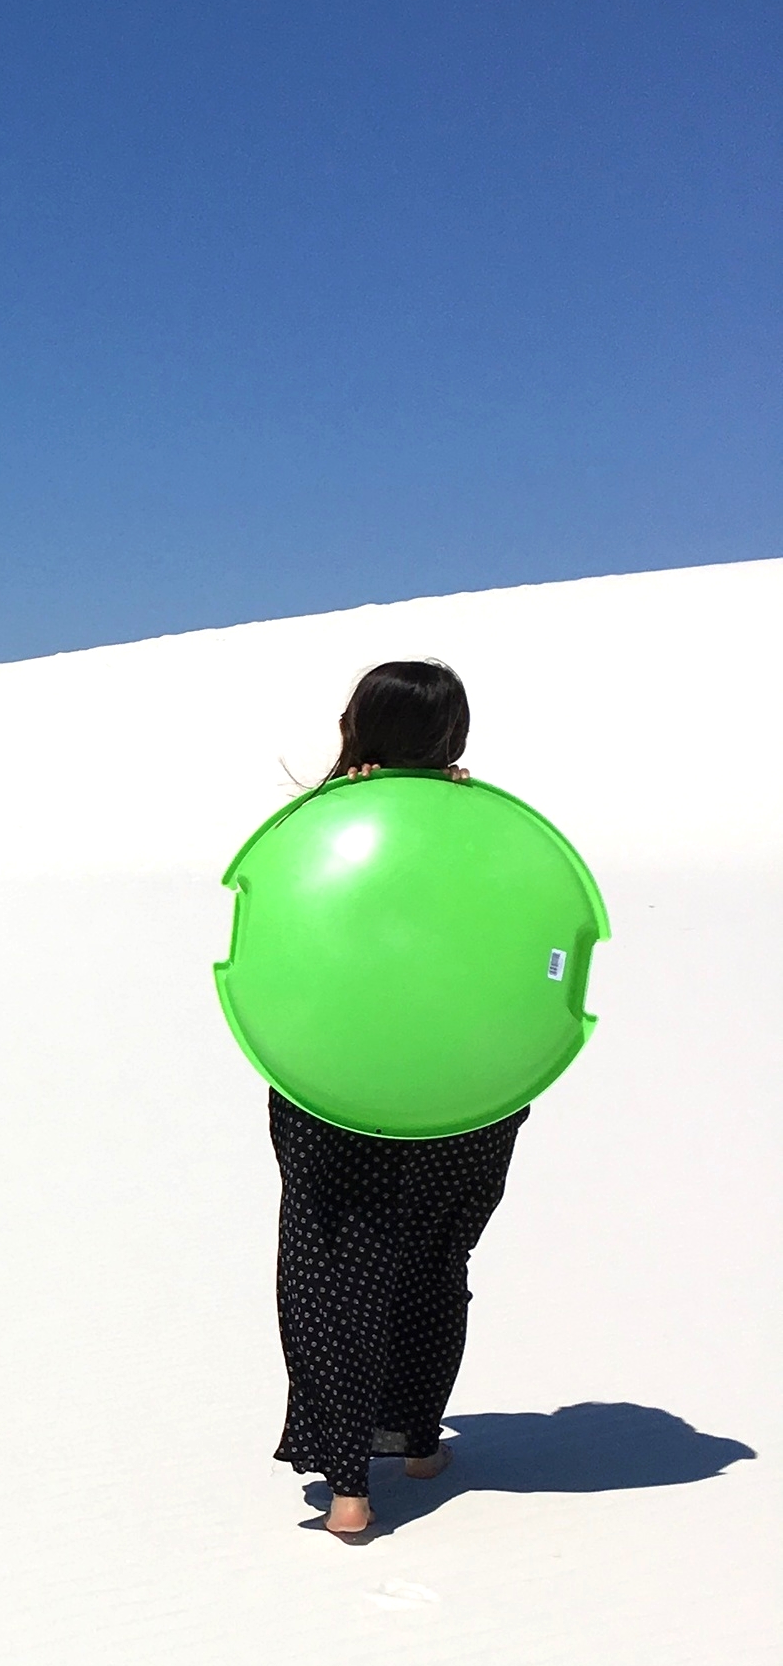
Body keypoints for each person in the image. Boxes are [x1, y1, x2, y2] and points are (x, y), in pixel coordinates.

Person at [270, 658, 526, 1541]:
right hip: (469, 1082)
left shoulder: (323, 823)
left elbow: (278, 929)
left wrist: (345, 794)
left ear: (358, 724)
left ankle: (348, 1488)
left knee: (334, 1269)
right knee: (431, 1261)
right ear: (453, 736)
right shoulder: (487, 828)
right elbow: (532, 943)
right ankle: (418, 1442)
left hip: (336, 1080)